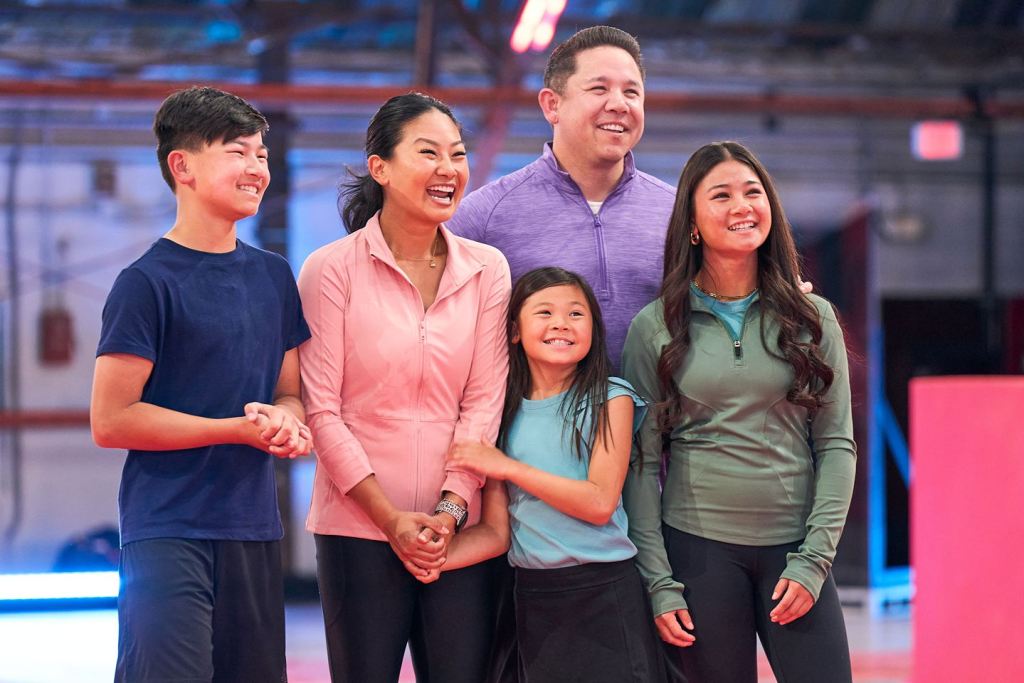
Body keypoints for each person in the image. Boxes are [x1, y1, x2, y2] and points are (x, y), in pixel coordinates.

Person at [90, 86, 312, 682]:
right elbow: (111, 420)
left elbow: (290, 390)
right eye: (238, 152)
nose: (256, 168)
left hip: (253, 528)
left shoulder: (273, 275)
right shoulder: (145, 284)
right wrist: (235, 430)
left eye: (262, 155)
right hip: (167, 529)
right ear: (181, 166)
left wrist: (287, 421)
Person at [621, 141, 856, 683]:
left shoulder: (812, 317)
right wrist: (659, 581)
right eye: (721, 195)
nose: (741, 206)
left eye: (753, 192)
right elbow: (639, 463)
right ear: (694, 223)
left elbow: (836, 444)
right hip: (699, 555)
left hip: (794, 551)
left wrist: (814, 558)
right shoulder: (654, 327)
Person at [296, 92, 511, 683]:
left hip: (456, 534)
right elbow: (322, 409)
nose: (449, 169)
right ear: (381, 168)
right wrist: (390, 519)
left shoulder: (489, 269)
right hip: (357, 528)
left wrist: (448, 510)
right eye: (429, 153)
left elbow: (484, 401)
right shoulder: (330, 269)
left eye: (458, 154)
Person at [441, 266, 667, 682]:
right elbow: (497, 532)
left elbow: (599, 502)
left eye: (576, 314)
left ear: (594, 329)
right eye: (543, 312)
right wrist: (431, 556)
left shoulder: (611, 398)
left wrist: (507, 466)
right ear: (514, 331)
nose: (561, 323)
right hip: (532, 595)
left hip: (605, 590)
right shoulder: (502, 413)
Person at [447, 25, 673, 368]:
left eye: (632, 92)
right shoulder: (482, 217)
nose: (619, 104)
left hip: (657, 420)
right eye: (599, 88)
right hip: (532, 419)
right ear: (552, 105)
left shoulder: (679, 211)